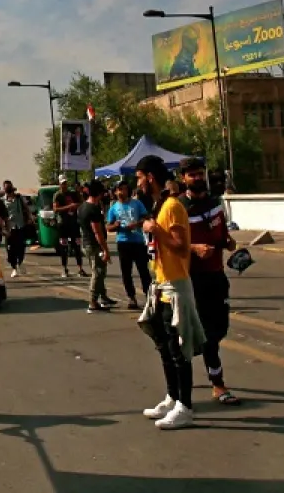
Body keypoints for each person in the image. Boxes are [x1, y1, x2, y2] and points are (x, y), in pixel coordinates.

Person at [139, 166, 204, 430]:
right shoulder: (158, 206)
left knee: (179, 351)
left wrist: (156, 230)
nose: (138, 183)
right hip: (161, 285)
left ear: (150, 177)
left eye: (141, 177)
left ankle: (185, 407)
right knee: (164, 347)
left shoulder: (173, 207)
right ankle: (172, 397)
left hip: (176, 286)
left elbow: (178, 245)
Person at [182, 158, 240, 406]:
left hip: (217, 275)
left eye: (199, 173)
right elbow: (169, 244)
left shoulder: (215, 203)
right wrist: (194, 248)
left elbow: (222, 233)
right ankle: (218, 384)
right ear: (183, 177)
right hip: (193, 278)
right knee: (207, 335)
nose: (197, 178)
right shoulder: (179, 208)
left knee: (219, 328)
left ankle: (201, 361)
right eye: (191, 174)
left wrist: (229, 243)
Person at [107, 178, 151, 310]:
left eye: (124, 189)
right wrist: (115, 225)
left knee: (143, 270)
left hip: (138, 241)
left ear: (128, 191)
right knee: (126, 272)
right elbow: (108, 227)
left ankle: (149, 295)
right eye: (119, 190)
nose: (121, 192)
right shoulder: (113, 208)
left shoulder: (137, 204)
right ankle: (131, 297)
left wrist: (136, 224)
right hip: (123, 242)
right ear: (115, 192)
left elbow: (146, 217)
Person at [79, 181, 115, 313]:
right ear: (99, 193)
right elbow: (97, 232)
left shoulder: (82, 207)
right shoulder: (92, 209)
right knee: (98, 272)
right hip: (94, 245)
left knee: (99, 270)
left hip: (86, 243)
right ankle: (93, 301)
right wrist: (105, 249)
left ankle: (103, 297)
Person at [53, 177, 85, 279]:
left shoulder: (73, 193)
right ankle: (64, 268)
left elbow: (81, 203)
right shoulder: (57, 195)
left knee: (77, 246)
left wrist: (76, 204)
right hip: (63, 224)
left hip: (74, 223)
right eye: (63, 183)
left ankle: (80, 268)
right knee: (64, 247)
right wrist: (68, 207)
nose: (64, 185)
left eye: (66, 183)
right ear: (60, 184)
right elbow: (55, 209)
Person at [2, 181, 33, 277]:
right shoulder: (3, 201)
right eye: (6, 187)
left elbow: (27, 208)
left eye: (9, 187)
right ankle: (14, 268)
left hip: (20, 226)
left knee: (21, 247)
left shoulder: (19, 198)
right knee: (10, 250)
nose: (8, 188)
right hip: (9, 228)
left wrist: (29, 218)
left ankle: (20, 262)